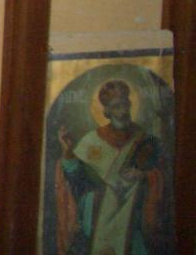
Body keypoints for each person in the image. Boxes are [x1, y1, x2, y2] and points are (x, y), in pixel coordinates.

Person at [55, 80, 167, 255]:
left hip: (133, 225)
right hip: (97, 221)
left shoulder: (146, 142)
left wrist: (143, 176)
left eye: (125, 105)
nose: (123, 112)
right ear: (106, 111)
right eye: (116, 107)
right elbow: (78, 181)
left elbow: (162, 175)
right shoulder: (91, 141)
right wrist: (68, 153)